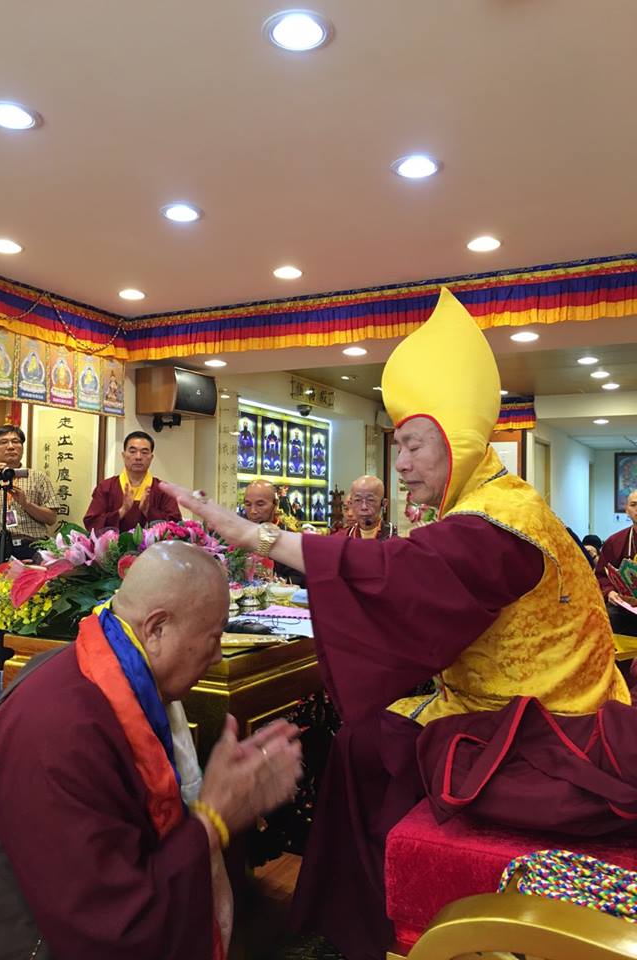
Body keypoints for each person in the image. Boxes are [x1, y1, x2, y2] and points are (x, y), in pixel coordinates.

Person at [160, 288, 631, 960]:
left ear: (456, 441)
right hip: (510, 706)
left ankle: (363, 932)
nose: (401, 462)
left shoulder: (500, 522)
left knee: (362, 747)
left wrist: (253, 534)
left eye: (412, 444)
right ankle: (352, 923)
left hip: (552, 729)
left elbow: (397, 574)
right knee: (358, 743)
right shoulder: (488, 503)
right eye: (398, 444)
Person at [0, 542, 302, 960]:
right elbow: (112, 930)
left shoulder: (104, 674)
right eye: (213, 638)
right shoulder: (61, 729)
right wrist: (214, 819)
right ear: (156, 629)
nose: (215, 657)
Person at [0, 425, 58, 568]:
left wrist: (26, 504)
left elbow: (51, 518)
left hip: (33, 547)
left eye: (15, 441)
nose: (10, 446)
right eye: (3, 442)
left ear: (22, 447)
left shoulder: (38, 477)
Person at [84, 431, 181, 533]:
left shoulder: (163, 489)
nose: (138, 457)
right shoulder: (106, 487)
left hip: (152, 544)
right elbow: (92, 522)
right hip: (113, 544)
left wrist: (148, 511)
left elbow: (176, 526)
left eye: (144, 452)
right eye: (132, 451)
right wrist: (122, 511)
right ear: (123, 455)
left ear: (151, 457)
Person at [242, 479, 304, 586]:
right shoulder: (238, 533)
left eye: (260, 504)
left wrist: (273, 581)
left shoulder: (289, 536)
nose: (253, 511)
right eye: (248, 504)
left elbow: (299, 578)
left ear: (275, 504)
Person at [595, 494, 637, 638]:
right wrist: (609, 592)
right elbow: (601, 575)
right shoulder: (614, 542)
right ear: (626, 510)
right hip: (625, 607)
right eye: (633, 505)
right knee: (609, 615)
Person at [338, 475, 396, 540]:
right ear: (351, 503)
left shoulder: (394, 536)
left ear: (384, 503)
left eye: (370, 500)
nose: (364, 507)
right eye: (358, 500)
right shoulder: (342, 538)